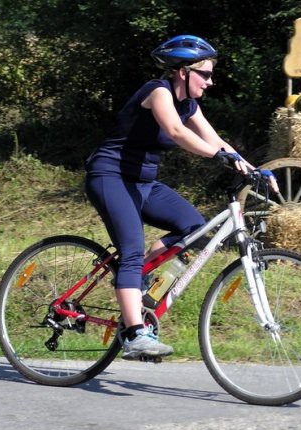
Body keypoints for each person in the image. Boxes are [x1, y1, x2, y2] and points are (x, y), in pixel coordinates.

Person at [84, 35, 256, 360]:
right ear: (182, 71)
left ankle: (138, 281)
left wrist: (253, 169)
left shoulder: (189, 104)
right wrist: (217, 157)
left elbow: (216, 139)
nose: (210, 81)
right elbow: (177, 132)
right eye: (204, 74)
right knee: (131, 249)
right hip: (110, 177)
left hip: (143, 183)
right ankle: (135, 335)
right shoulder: (157, 92)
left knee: (195, 228)